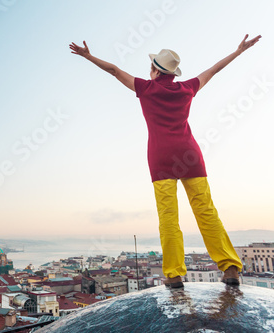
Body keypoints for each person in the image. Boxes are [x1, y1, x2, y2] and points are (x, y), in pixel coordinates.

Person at [69, 34, 261, 288]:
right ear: (173, 73)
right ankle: (231, 268)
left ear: (154, 71)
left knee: (168, 217)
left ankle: (173, 274)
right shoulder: (187, 88)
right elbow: (213, 70)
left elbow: (114, 70)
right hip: (190, 155)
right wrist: (239, 51)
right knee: (206, 212)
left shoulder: (146, 89)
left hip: (161, 158)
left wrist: (87, 56)